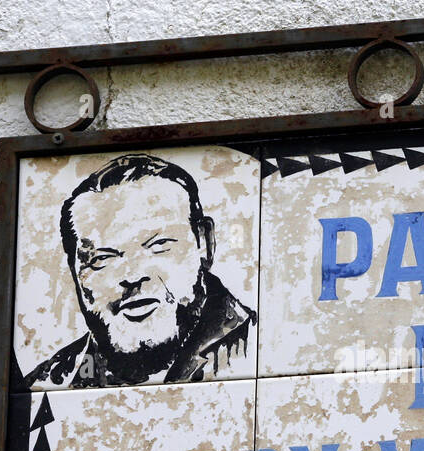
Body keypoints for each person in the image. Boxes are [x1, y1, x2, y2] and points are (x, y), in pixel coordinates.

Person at [26, 153, 255, 388]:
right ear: (75, 272)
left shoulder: (260, 348)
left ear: (204, 244)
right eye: (103, 258)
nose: (131, 276)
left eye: (159, 245)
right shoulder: (46, 384)